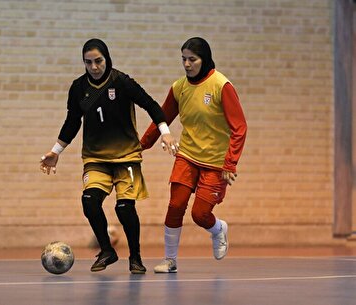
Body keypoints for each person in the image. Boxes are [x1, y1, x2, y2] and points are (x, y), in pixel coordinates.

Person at [40, 38, 178, 274]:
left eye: (98, 61)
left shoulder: (121, 81)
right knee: (89, 202)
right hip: (96, 158)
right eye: (88, 62)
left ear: (107, 58)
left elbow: (152, 104)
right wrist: (56, 151)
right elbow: (72, 123)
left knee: (124, 207)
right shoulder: (78, 88)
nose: (94, 67)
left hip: (127, 158)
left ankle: (135, 257)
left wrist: (165, 132)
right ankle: (107, 250)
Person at [140, 37, 247, 273]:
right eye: (183, 59)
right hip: (187, 155)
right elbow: (162, 118)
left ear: (204, 59)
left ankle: (218, 229)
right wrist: (141, 145)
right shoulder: (179, 87)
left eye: (192, 59)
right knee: (175, 205)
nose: (187, 64)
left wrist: (230, 163)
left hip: (215, 162)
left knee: (200, 214)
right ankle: (170, 260)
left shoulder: (221, 86)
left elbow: (240, 127)